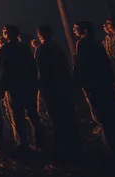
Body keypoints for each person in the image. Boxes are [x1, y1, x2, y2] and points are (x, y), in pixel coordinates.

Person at [73, 21, 115, 155]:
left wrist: (77, 83)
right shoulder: (96, 43)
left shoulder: (82, 43)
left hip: (94, 86)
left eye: (77, 28)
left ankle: (114, 148)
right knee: (113, 113)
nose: (74, 30)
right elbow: (106, 63)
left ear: (85, 30)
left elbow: (81, 66)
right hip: (105, 84)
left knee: (101, 117)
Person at [34, 26, 80, 155]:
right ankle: (74, 146)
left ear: (40, 36)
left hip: (50, 88)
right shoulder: (57, 48)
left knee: (55, 117)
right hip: (62, 86)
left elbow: (40, 70)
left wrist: (40, 86)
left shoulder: (41, 49)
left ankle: (62, 147)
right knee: (66, 116)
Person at [0, 24, 43, 150]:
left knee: (17, 116)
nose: (4, 32)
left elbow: (3, 69)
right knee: (32, 114)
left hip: (15, 86)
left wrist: (3, 87)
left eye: (5, 30)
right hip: (27, 85)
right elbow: (32, 66)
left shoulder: (5, 49)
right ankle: (39, 142)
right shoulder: (25, 47)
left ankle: (22, 143)